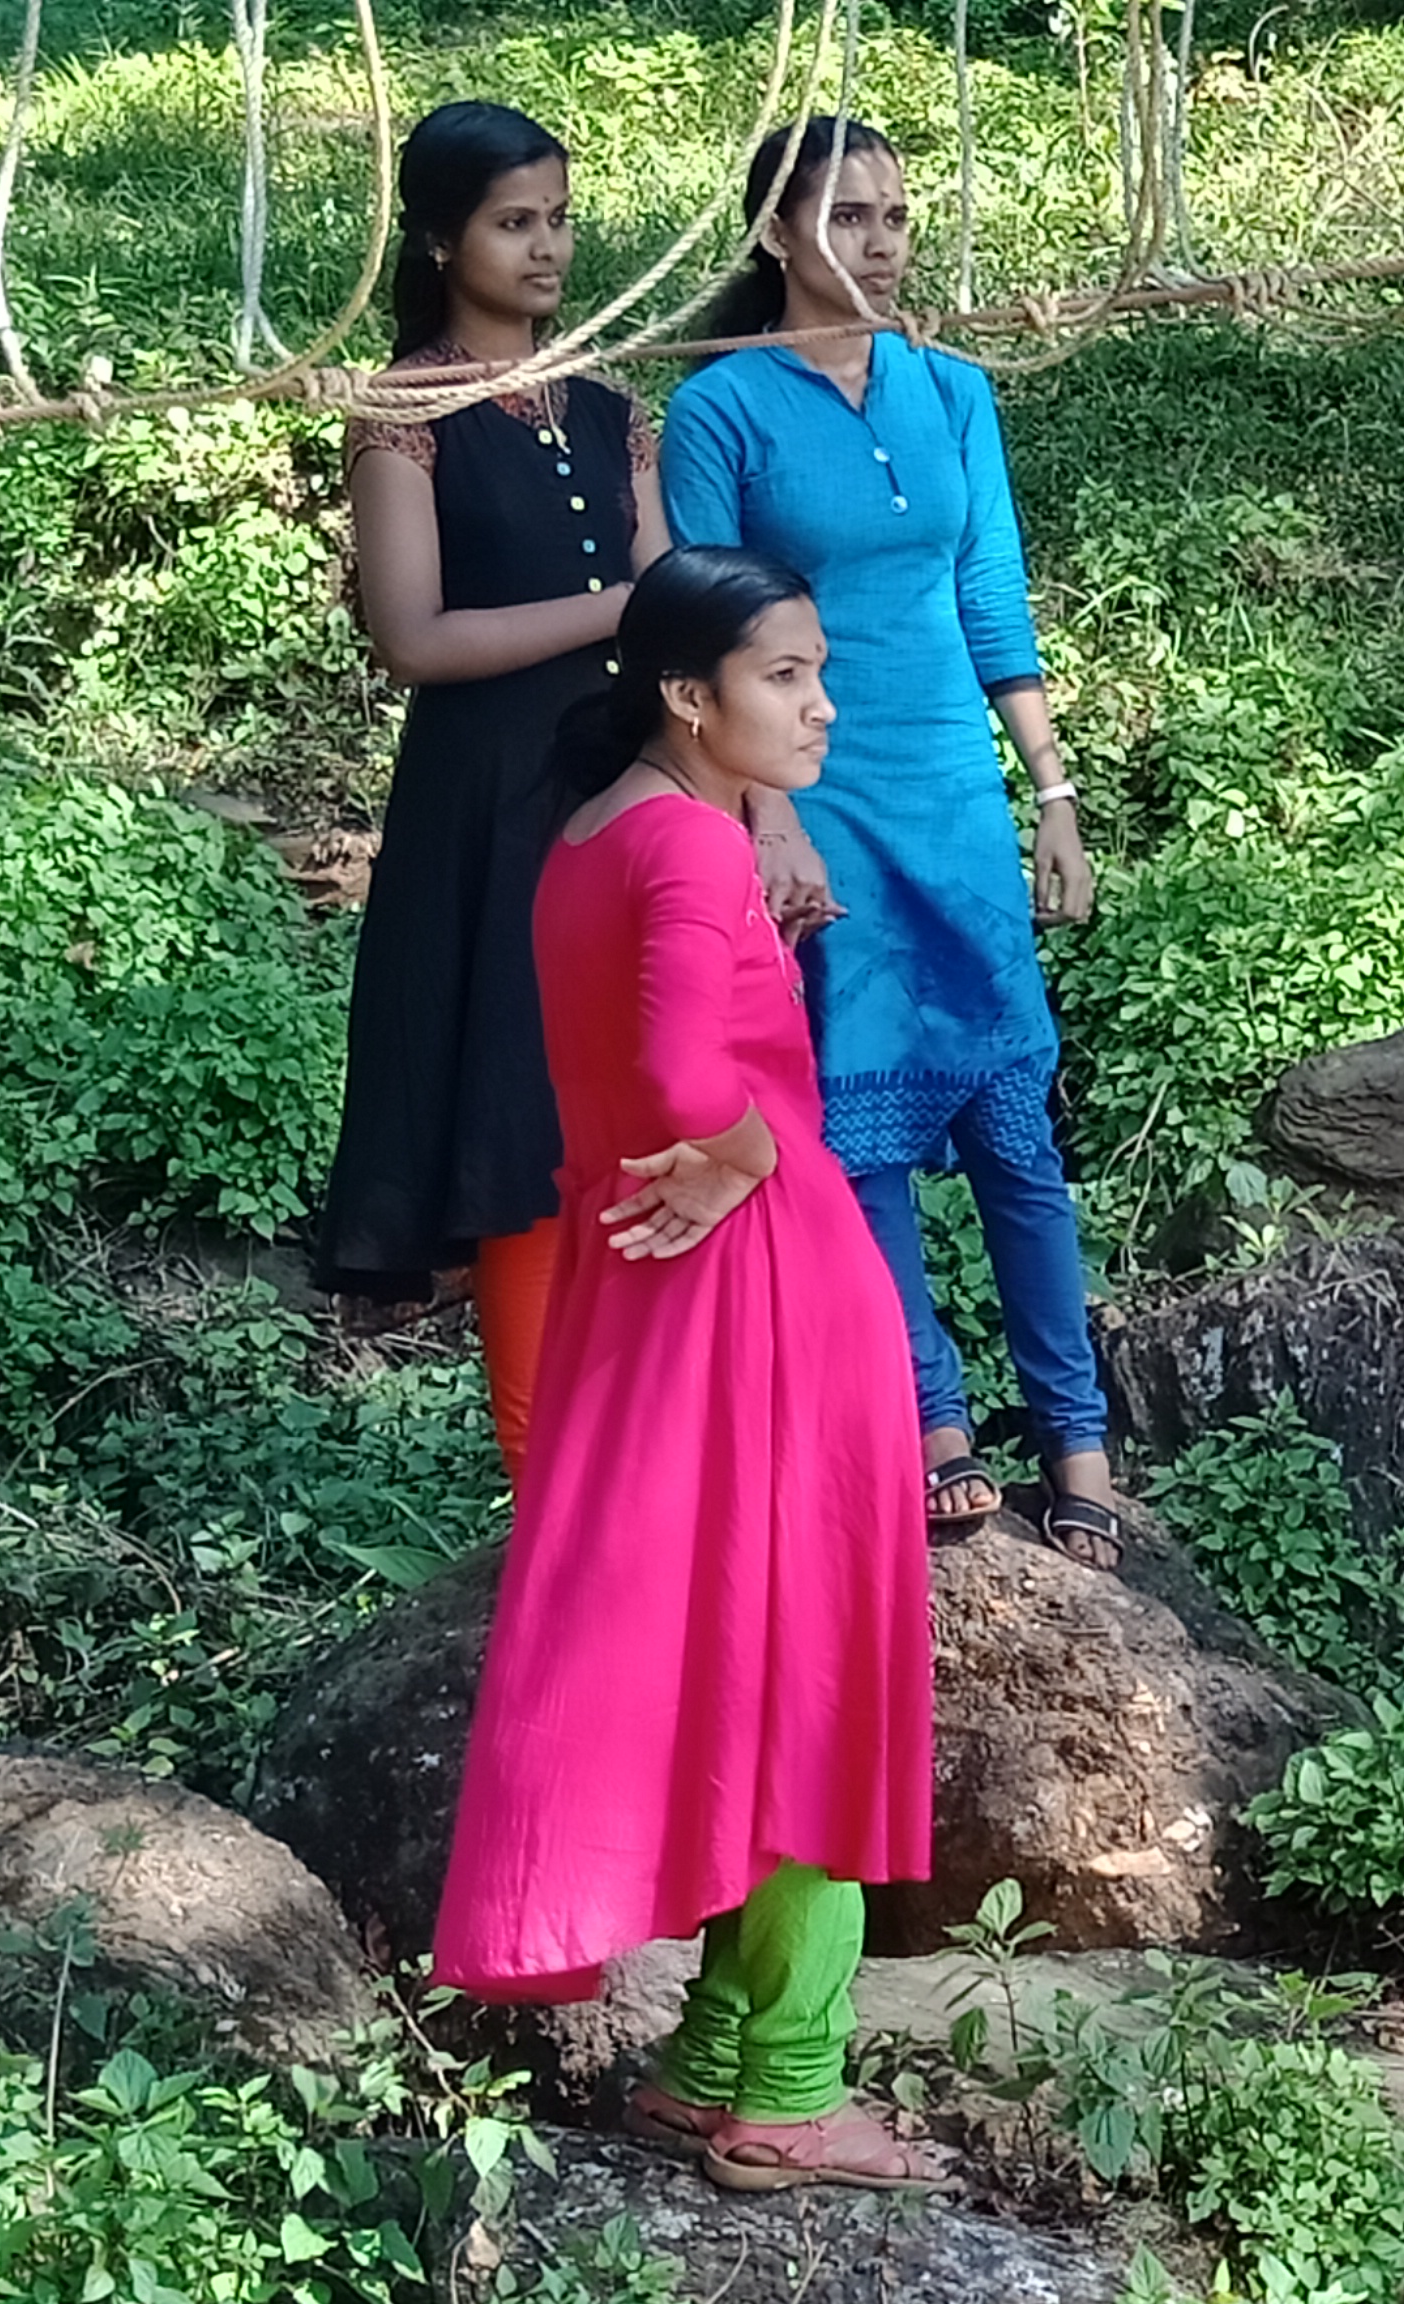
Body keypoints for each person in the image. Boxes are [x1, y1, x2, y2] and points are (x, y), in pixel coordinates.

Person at [432, 546, 944, 2193]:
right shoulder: (691, 845)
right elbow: (673, 1071)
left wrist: (716, 1148)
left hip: (651, 1298)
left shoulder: (596, 834)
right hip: (758, 1299)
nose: (821, 703)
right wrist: (748, 1151)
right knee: (809, 1675)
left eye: (818, 670)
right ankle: (787, 2093)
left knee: (734, 1659)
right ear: (685, 694)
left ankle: (708, 2059)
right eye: (785, 674)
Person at [659, 116, 1120, 1566]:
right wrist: (771, 818)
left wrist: (1051, 794)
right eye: (847, 215)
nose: (879, 241)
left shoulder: (953, 390)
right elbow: (708, 626)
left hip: (958, 797)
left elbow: (992, 597)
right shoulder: (720, 407)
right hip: (822, 795)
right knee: (860, 1127)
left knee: (1015, 1132)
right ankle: (931, 1424)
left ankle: (1082, 1442)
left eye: (896, 216)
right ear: (775, 234)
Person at [313, 100, 703, 1478]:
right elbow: (414, 637)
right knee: (519, 1125)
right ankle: (549, 1487)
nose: (548, 248)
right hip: (490, 810)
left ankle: (651, 1465)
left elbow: (678, 614)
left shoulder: (608, 407)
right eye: (513, 222)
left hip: (630, 794)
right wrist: (618, 611)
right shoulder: (404, 409)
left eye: (559, 220)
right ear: (440, 239)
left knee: (643, 1106)